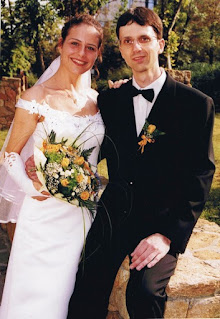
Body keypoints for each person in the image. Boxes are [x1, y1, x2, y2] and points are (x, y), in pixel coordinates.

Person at [67, 7, 215, 319]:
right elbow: (91, 148)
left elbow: (202, 173)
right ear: (120, 48)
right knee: (83, 283)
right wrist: (46, 163)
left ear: (160, 44)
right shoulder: (110, 100)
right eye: (127, 41)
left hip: (163, 219)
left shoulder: (196, 104)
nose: (136, 48)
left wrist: (168, 235)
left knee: (145, 293)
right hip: (114, 215)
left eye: (144, 39)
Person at [0, 14, 105, 319]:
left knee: (72, 295)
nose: (81, 53)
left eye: (90, 47)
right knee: (37, 296)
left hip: (84, 215)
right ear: (60, 45)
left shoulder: (97, 100)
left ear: (97, 54)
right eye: (74, 43)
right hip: (44, 216)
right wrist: (32, 190)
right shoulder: (35, 99)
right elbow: (9, 155)